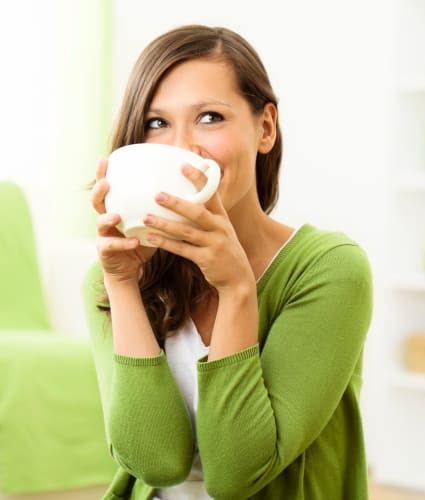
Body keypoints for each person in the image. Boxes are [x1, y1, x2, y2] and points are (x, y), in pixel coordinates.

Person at [84, 24, 372, 500]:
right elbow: (156, 462)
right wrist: (122, 286)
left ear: (265, 128)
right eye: (157, 123)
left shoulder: (330, 269)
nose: (181, 148)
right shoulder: (109, 276)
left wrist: (237, 289)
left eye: (210, 117)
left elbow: (237, 473)